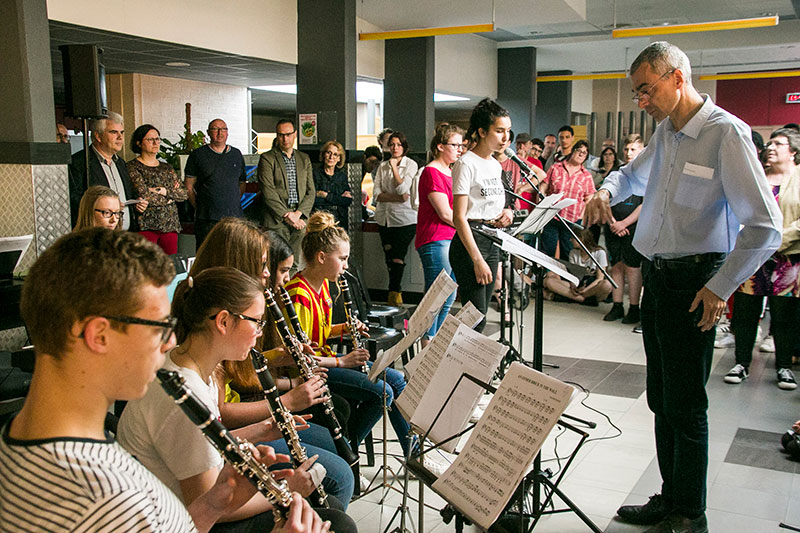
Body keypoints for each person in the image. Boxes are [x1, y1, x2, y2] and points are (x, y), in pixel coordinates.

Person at [1, 228, 326, 533]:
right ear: (99, 335)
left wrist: (213, 504)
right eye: (158, 326)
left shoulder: (24, 439)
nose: (170, 341)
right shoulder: (105, 496)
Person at [584, 41, 782, 533]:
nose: (641, 101)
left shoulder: (725, 133)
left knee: (687, 403)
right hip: (659, 276)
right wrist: (604, 190)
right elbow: (631, 175)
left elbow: (766, 226)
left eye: (646, 90)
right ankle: (670, 496)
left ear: (677, 77)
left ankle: (691, 514)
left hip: (696, 280)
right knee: (661, 397)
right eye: (636, 92)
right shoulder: (667, 133)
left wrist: (721, 286)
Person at [117, 267, 354, 532]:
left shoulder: (192, 364)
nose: (260, 332)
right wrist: (288, 488)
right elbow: (207, 506)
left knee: (330, 506)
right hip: (179, 520)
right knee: (338, 523)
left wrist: (262, 430)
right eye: (257, 321)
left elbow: (203, 444)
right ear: (224, 321)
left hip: (193, 500)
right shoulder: (184, 395)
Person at [286, 212, 413, 458]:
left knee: (397, 379)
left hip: (327, 360)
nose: (346, 266)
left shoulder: (323, 284)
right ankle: (348, 448)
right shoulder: (299, 295)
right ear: (321, 257)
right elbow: (298, 356)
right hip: (316, 370)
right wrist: (342, 361)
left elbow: (318, 332)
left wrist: (344, 327)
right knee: (383, 393)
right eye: (342, 259)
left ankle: (411, 450)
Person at [724, 128, 800, 390]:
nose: (771, 147)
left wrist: (776, 239)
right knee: (746, 311)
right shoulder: (757, 177)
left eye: (778, 144)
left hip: (786, 258)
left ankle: (784, 367)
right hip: (753, 255)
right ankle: (741, 363)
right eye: (770, 143)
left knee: (784, 316)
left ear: (793, 152)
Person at [450, 98, 514, 332]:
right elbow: (459, 217)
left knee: (481, 315)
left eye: (508, 131)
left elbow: (492, 203)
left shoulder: (495, 164)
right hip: (471, 241)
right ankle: (454, 355)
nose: (505, 137)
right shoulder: (466, 164)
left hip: (491, 237)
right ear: (482, 131)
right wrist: (477, 260)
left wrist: (506, 212)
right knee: (475, 320)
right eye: (499, 131)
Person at [415, 123, 464, 344]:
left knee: (449, 294)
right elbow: (445, 213)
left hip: (451, 237)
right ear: (440, 146)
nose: (459, 149)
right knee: (436, 294)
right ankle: (426, 339)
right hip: (436, 238)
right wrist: (465, 225)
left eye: (461, 145)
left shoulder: (451, 171)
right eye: (455, 145)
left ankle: (432, 337)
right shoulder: (431, 172)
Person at [68, 111, 147, 229]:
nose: (120, 137)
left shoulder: (121, 163)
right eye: (113, 132)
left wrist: (137, 203)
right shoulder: (79, 162)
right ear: (98, 136)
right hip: (96, 233)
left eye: (122, 132)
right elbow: (74, 200)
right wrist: (109, 206)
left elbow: (128, 193)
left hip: (123, 233)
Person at [258, 119, 315, 261]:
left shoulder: (304, 158)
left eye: (288, 134)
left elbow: (311, 191)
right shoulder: (267, 158)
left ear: (295, 134)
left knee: (295, 262)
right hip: (276, 219)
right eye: (281, 135)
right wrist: (287, 216)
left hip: (300, 219)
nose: (285, 139)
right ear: (277, 136)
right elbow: (268, 192)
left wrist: (298, 214)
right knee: (277, 262)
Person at [603, 134, 646, 324]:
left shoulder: (645, 174)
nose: (629, 153)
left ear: (642, 150)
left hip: (633, 227)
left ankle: (634, 307)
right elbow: (605, 199)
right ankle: (617, 305)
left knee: (632, 268)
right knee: (616, 267)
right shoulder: (617, 172)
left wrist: (624, 223)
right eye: (626, 149)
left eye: (633, 149)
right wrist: (613, 222)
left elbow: (644, 204)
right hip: (613, 226)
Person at [372, 131, 419, 306]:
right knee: (389, 257)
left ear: (404, 147)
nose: (395, 148)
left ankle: (394, 293)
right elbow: (376, 194)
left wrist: (394, 168)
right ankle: (394, 293)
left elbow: (403, 189)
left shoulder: (410, 164)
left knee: (398, 256)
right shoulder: (381, 166)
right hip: (384, 219)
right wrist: (396, 198)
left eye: (399, 144)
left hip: (405, 220)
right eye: (392, 144)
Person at [184, 118, 246, 248]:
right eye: (215, 129)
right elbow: (189, 187)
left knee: (234, 253)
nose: (220, 132)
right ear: (208, 132)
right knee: (207, 253)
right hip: (207, 218)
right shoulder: (198, 155)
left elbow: (241, 183)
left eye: (223, 129)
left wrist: (230, 201)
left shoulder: (236, 154)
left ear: (227, 132)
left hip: (234, 217)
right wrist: (200, 207)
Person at [127, 124, 187, 255]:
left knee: (170, 264)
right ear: (139, 143)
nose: (155, 143)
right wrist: (171, 199)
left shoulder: (167, 167)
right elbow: (145, 195)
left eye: (157, 139)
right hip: (146, 225)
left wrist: (164, 191)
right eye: (150, 139)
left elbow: (183, 193)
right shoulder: (133, 167)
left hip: (170, 225)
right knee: (147, 263)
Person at [539, 139, 596, 258]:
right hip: (551, 216)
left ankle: (565, 271)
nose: (581, 154)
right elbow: (543, 186)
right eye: (579, 150)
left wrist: (581, 216)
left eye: (584, 153)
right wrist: (542, 205)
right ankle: (546, 270)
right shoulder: (556, 167)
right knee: (547, 251)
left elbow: (589, 199)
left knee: (568, 252)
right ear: (573, 151)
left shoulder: (586, 175)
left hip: (572, 219)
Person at [543, 228, 612, 305]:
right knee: (549, 281)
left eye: (573, 238)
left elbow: (599, 278)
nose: (570, 240)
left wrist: (585, 290)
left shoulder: (600, 253)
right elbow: (572, 274)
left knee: (607, 285)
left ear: (581, 239)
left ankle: (567, 297)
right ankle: (581, 299)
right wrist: (573, 286)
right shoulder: (573, 253)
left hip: (592, 285)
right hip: (577, 283)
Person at [313, 140, 352, 229]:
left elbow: (347, 201)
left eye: (335, 154)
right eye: (328, 153)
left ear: (339, 158)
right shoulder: (314, 174)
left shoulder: (342, 176)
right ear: (323, 155)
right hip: (321, 220)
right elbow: (314, 200)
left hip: (339, 220)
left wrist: (325, 195)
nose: (331, 157)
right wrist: (337, 199)